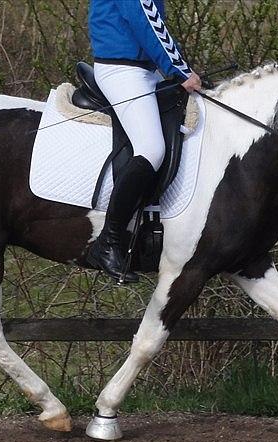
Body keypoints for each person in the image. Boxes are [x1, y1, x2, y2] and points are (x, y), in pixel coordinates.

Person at [87, 0, 201, 283]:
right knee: (151, 149)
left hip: (145, 69)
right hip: (122, 71)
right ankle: (108, 242)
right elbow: (143, 16)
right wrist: (179, 68)